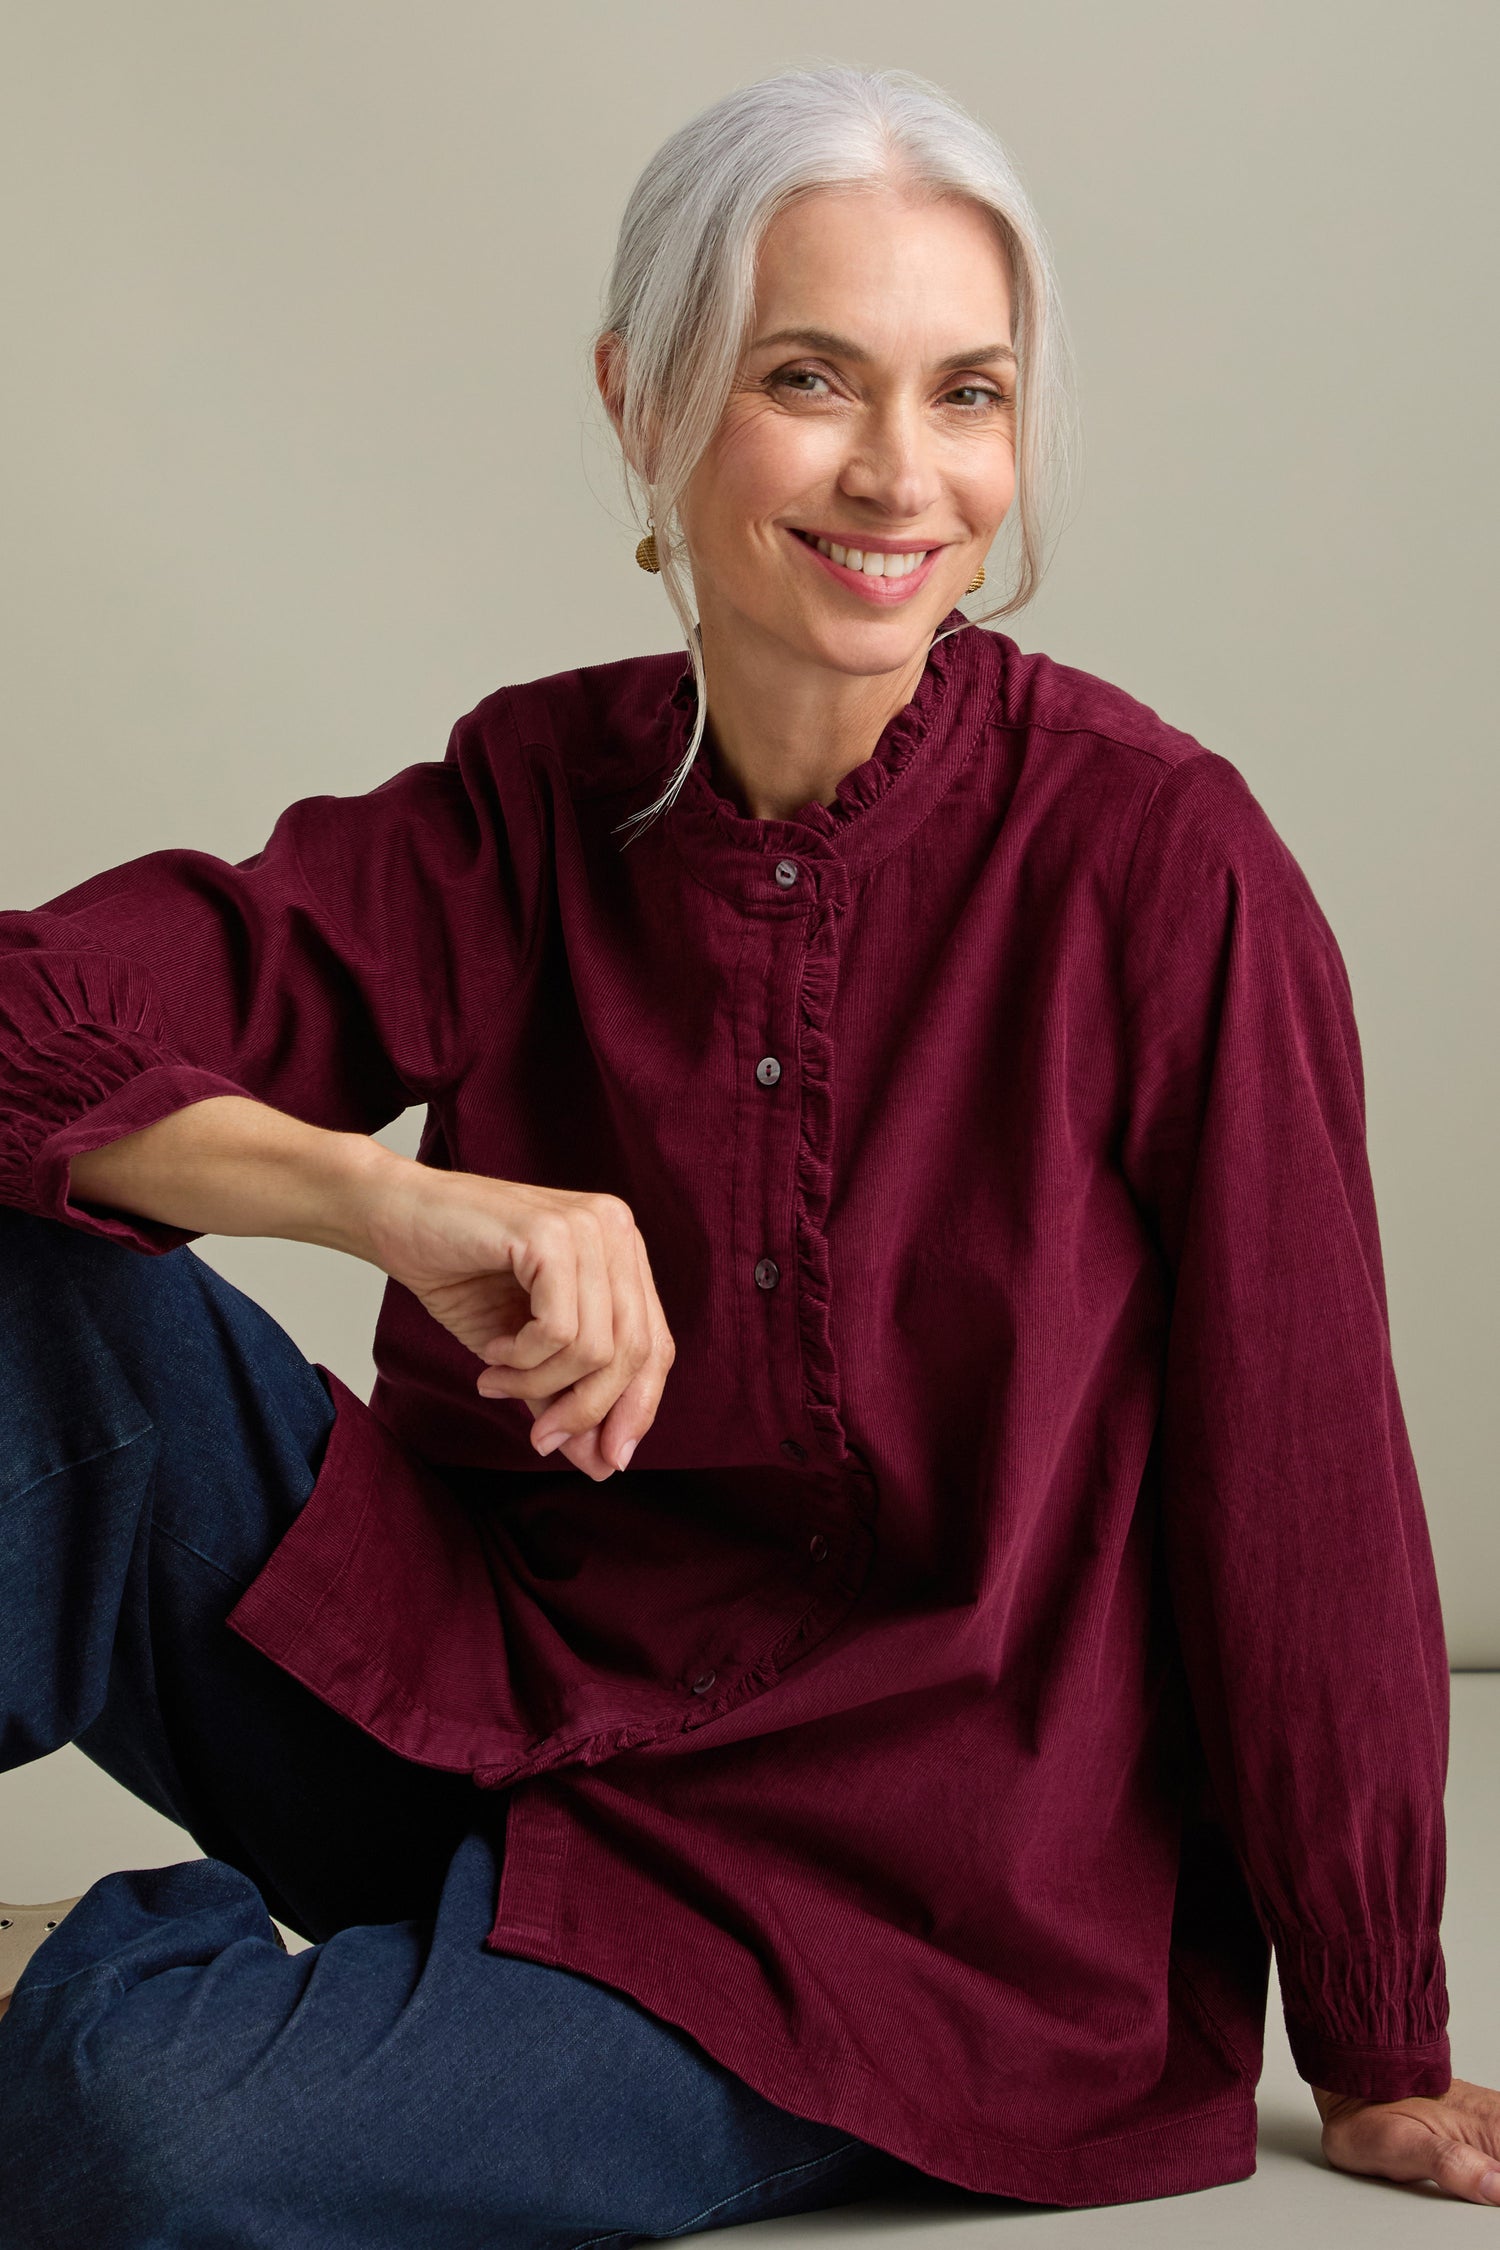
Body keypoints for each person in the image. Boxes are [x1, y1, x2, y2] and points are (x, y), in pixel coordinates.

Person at [0, 58, 1494, 2246]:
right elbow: (37, 1016)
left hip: (882, 1924)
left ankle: (209, 1996)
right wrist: (381, 1199)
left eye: (968, 392)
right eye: (814, 378)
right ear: (649, 399)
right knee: (43, 1313)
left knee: (148, 2140)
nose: (905, 471)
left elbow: (1304, 1487)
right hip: (481, 1733)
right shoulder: (531, 799)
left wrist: (1372, 2033)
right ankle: (413, 1990)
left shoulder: (1163, 869)